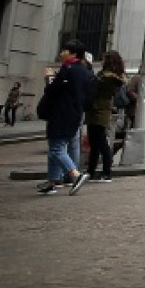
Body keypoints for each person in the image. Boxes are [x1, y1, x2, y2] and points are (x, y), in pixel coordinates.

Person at [37, 39, 93, 195]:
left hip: (61, 113)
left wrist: (48, 79)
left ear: (73, 53)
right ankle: (52, 181)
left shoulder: (67, 69)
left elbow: (52, 91)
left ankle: (75, 175)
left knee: (56, 148)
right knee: (58, 147)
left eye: (65, 50)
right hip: (75, 113)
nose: (61, 53)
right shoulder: (84, 71)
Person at [84, 51, 126, 182]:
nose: (101, 61)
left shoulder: (108, 78)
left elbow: (95, 87)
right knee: (95, 142)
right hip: (97, 109)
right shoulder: (108, 76)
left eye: (103, 59)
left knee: (101, 142)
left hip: (100, 110)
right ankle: (91, 170)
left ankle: (106, 172)